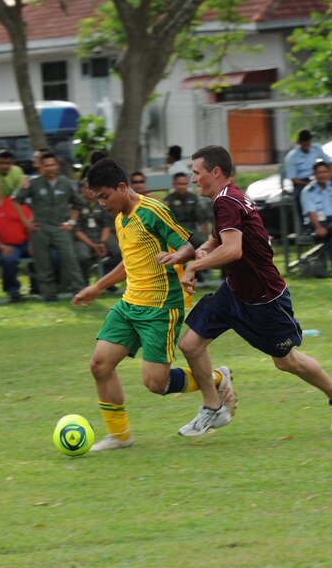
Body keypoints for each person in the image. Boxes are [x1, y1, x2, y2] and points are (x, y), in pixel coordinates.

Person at [178, 145, 332, 437]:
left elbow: (233, 250)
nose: (192, 179)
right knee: (190, 344)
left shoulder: (227, 200)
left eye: (197, 173)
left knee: (287, 361)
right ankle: (213, 409)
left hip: (264, 299)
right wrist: (202, 251)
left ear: (215, 172)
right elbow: (220, 238)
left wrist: (193, 268)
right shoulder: (228, 198)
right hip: (234, 292)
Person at [71, 158, 235, 451]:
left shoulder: (153, 211)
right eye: (97, 199)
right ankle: (119, 436)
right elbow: (130, 261)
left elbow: (187, 244)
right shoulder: (121, 217)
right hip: (129, 303)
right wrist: (97, 286)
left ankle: (217, 377)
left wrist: (179, 259)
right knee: (99, 365)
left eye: (105, 197)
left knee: (155, 384)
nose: (102, 205)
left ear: (122, 187)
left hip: (160, 307)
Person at [15, 151, 85, 301]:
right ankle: (48, 294)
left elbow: (78, 204)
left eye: (52, 164)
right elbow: (17, 200)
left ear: (57, 166)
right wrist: (27, 222)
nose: (49, 168)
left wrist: (71, 222)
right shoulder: (33, 183)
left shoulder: (65, 183)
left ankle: (79, 291)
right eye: (46, 165)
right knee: (43, 263)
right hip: (40, 228)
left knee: (70, 258)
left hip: (60, 227)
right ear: (41, 167)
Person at [0, 181, 34, 301]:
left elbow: (30, 223)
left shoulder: (14, 203)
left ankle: (39, 286)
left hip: (27, 241)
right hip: (8, 245)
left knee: (46, 254)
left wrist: (32, 242)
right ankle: (13, 291)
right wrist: (1, 247)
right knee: (8, 260)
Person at [73, 178, 120, 282]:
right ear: (81, 189)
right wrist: (93, 245)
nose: (90, 190)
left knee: (118, 251)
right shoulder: (76, 204)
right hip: (83, 237)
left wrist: (102, 242)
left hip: (101, 235)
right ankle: (84, 283)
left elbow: (106, 225)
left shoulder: (101, 202)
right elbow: (76, 229)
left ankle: (107, 280)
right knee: (82, 256)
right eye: (87, 188)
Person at [283, 129, 331, 209]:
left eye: (308, 144)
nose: (306, 147)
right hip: (301, 182)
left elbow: (329, 162)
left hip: (317, 178)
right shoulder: (292, 156)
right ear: (299, 143)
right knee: (300, 196)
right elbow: (294, 179)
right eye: (304, 145)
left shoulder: (316, 148)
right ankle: (303, 219)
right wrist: (309, 184)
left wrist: (329, 176)